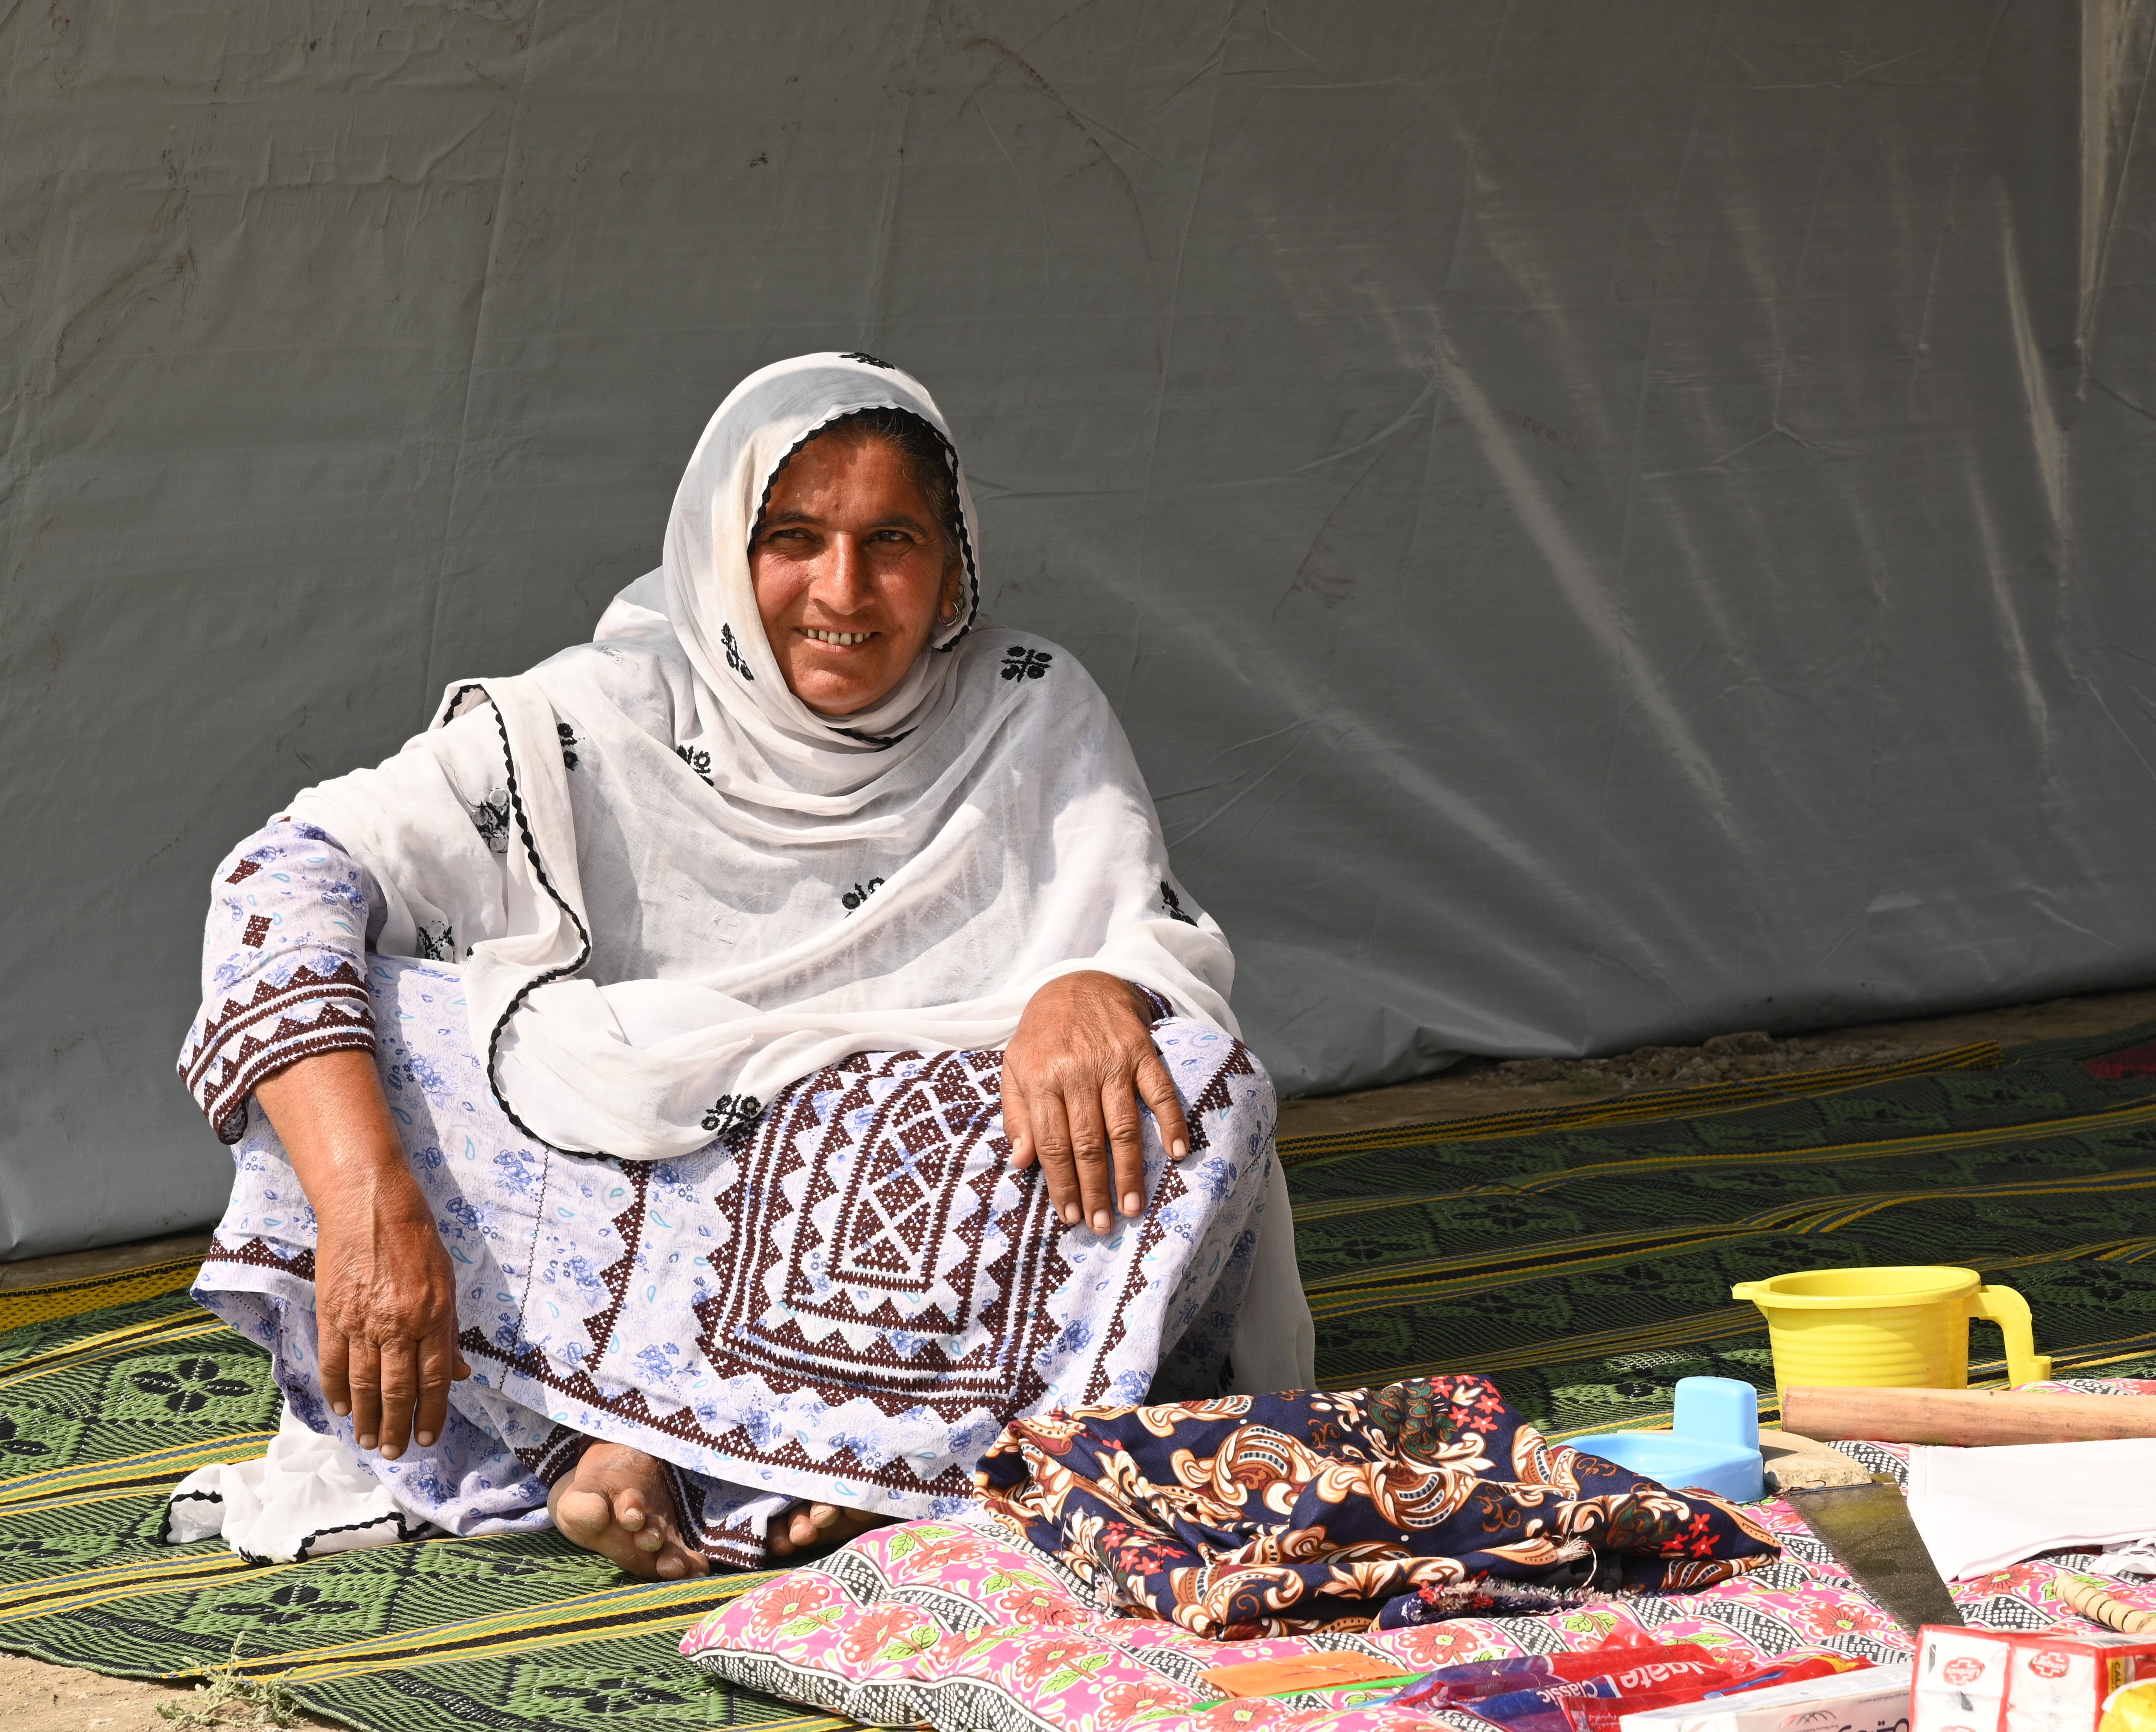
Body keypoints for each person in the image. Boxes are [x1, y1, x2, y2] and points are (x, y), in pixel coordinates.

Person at [168, 354, 1312, 1578]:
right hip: (642, 1142)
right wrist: (365, 1205)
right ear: (720, 545)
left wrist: (1099, 983)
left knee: (1196, 1082)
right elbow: (282, 879)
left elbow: (1142, 926)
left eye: (893, 539)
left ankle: (716, 1447)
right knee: (379, 1024)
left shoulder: (1029, 710)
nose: (843, 590)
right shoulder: (593, 717)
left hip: (924, 1161)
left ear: (954, 566)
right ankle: (693, 1441)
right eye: (793, 537)